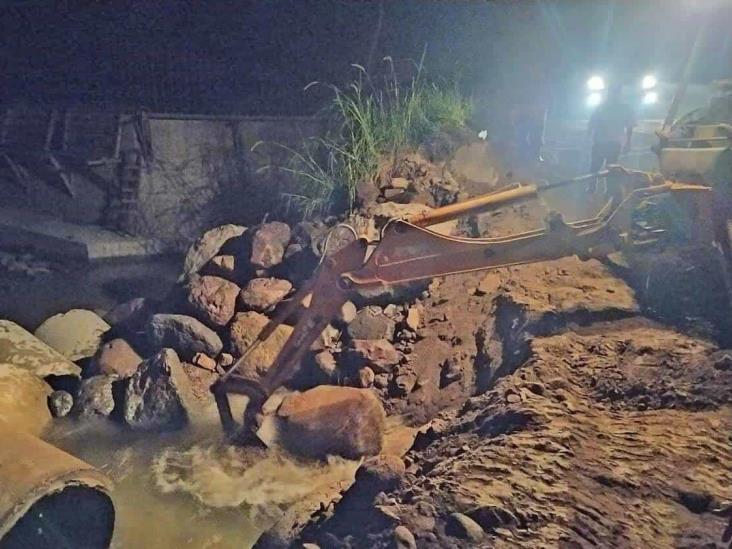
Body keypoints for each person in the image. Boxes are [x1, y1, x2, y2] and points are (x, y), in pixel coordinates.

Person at [588, 82, 636, 174]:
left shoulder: (624, 108)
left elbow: (629, 127)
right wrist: (628, 143)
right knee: (598, 168)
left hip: (609, 142)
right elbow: (592, 122)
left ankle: (598, 188)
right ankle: (593, 188)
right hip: (603, 142)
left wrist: (628, 143)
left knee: (606, 169)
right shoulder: (603, 106)